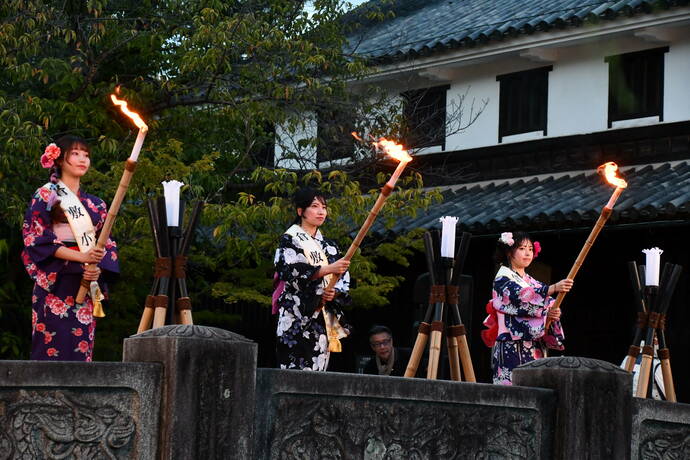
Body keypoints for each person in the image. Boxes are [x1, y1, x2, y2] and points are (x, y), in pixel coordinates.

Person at [22, 136, 119, 361]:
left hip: (84, 281)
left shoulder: (97, 204)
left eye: (86, 155)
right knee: (50, 346)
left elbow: (107, 243)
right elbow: (35, 237)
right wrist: (81, 256)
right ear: (60, 159)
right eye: (75, 154)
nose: (82, 159)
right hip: (56, 281)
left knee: (80, 348)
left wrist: (97, 268)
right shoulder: (47, 194)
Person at [274, 188, 351, 371]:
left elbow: (343, 277)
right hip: (297, 315)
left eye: (323, 207)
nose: (321, 211)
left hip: (322, 318)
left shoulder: (330, 246)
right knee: (293, 370)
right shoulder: (290, 239)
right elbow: (289, 271)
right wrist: (327, 269)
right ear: (300, 211)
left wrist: (334, 292)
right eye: (314, 206)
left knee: (320, 370)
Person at [482, 231, 572, 385]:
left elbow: (547, 301)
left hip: (534, 346)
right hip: (510, 343)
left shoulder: (530, 281)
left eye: (530, 249)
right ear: (510, 252)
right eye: (522, 248)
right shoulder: (502, 278)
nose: (528, 253)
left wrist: (553, 313)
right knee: (511, 390)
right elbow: (520, 296)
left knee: (535, 389)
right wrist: (553, 288)